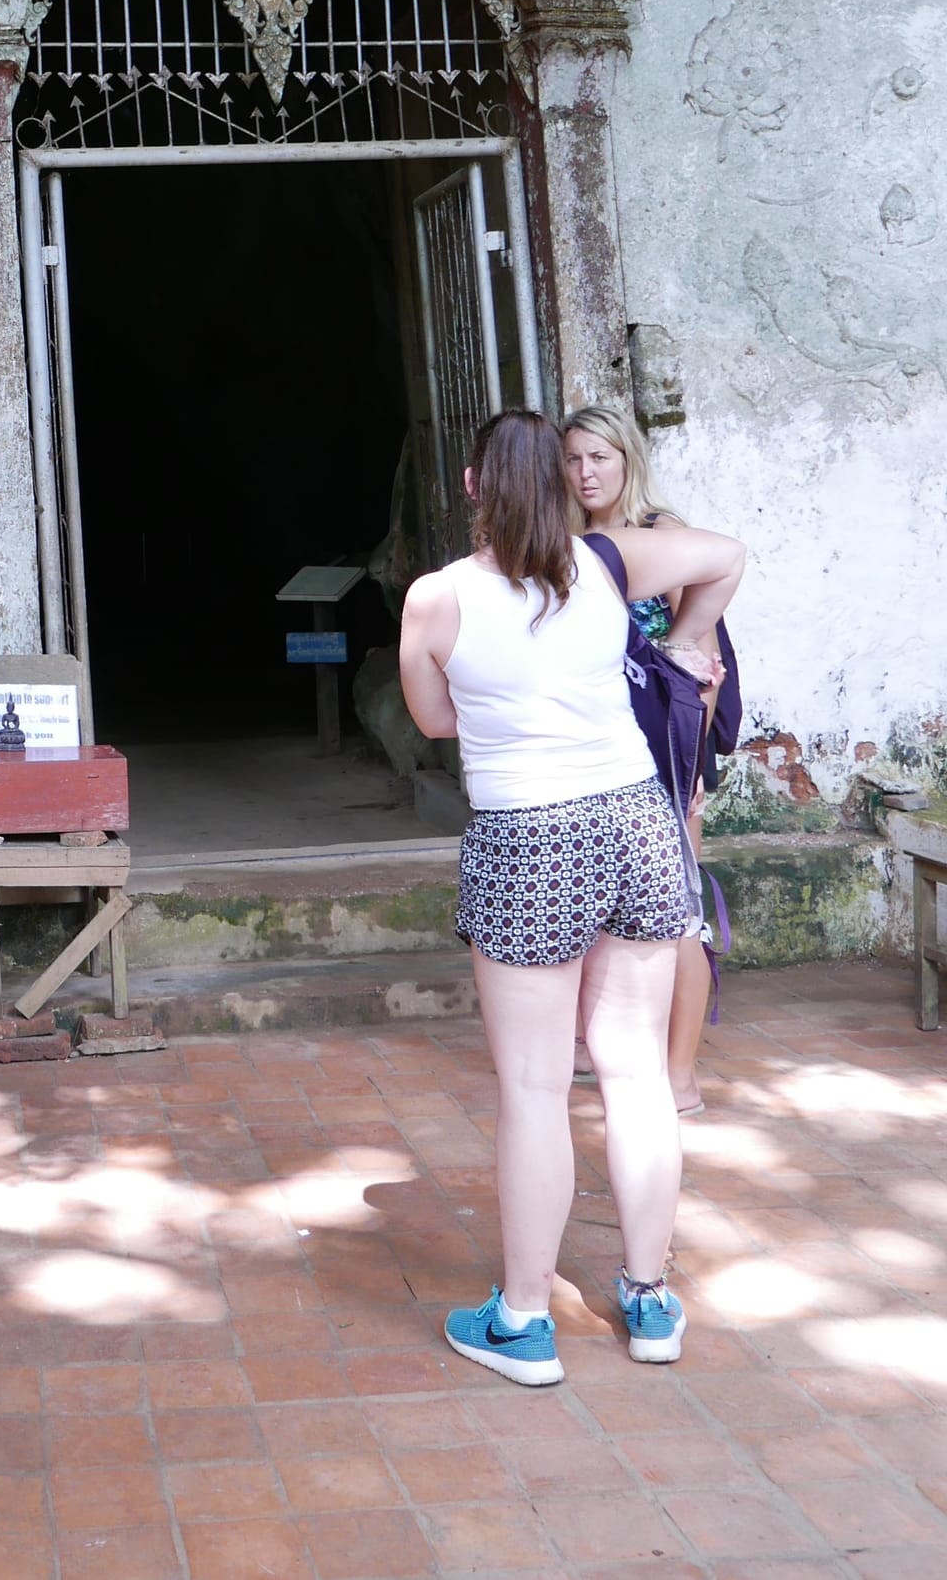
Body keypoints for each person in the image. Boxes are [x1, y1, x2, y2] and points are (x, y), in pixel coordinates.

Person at [400, 410, 744, 1385]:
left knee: (534, 1087)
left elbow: (431, 716)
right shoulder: (601, 561)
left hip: (528, 835)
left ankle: (520, 1317)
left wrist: (502, 688)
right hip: (634, 821)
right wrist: (685, 637)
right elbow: (723, 553)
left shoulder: (437, 598)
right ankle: (647, 1297)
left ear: (472, 484)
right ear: (556, 482)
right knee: (633, 1072)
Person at [562, 404, 724, 1115]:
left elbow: (704, 661)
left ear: (627, 459)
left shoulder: (662, 535)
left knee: (678, 913)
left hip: (662, 755)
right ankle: (612, 1049)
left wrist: (687, 772)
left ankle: (681, 1073)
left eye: (599, 456)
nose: (586, 471)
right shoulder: (567, 543)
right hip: (595, 756)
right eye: (572, 459)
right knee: (605, 911)